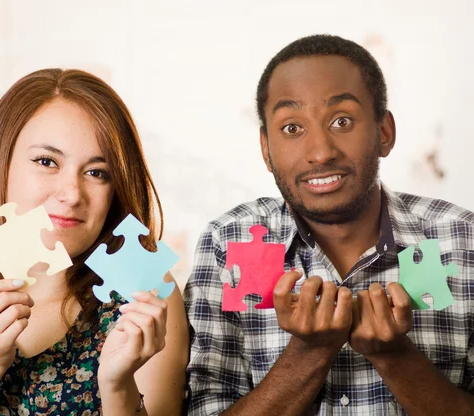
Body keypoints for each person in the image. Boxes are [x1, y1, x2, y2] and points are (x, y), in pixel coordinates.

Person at [184, 34, 474, 415]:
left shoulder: (464, 238)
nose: (321, 153)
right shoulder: (227, 242)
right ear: (265, 149)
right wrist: (308, 353)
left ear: (383, 132)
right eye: (292, 128)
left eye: (342, 121)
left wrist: (396, 359)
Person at [0, 68, 189, 416]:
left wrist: (119, 386)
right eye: (46, 161)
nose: (71, 194)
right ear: (0, 163)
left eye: (97, 172)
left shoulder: (145, 294)